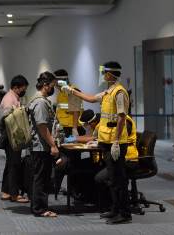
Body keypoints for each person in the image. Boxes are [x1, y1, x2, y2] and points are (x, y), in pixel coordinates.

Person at [63, 61, 132, 224]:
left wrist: (116, 141)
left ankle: (124, 213)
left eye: (105, 73)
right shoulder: (109, 91)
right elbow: (91, 98)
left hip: (116, 142)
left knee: (118, 179)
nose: (103, 75)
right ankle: (115, 209)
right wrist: (72, 91)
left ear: (111, 74)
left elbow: (121, 117)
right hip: (106, 141)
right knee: (112, 179)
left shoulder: (119, 92)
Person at [28, 71, 59, 218]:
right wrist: (52, 145)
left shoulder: (39, 99)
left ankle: (39, 206)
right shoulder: (40, 102)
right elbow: (42, 126)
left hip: (40, 145)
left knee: (41, 177)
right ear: (46, 85)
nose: (54, 88)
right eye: (53, 85)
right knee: (41, 178)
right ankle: (40, 209)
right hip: (40, 146)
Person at [0, 75, 30, 203]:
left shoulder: (12, 97)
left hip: (11, 137)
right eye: (23, 88)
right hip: (11, 137)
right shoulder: (9, 99)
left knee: (10, 164)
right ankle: (14, 194)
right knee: (14, 165)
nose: (24, 91)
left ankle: (5, 191)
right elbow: (5, 119)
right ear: (16, 88)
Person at [54, 69, 84, 137]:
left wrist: (75, 129)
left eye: (54, 80)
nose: (53, 83)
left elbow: (76, 110)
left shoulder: (72, 90)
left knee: (70, 145)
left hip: (71, 127)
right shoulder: (62, 91)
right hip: (64, 126)